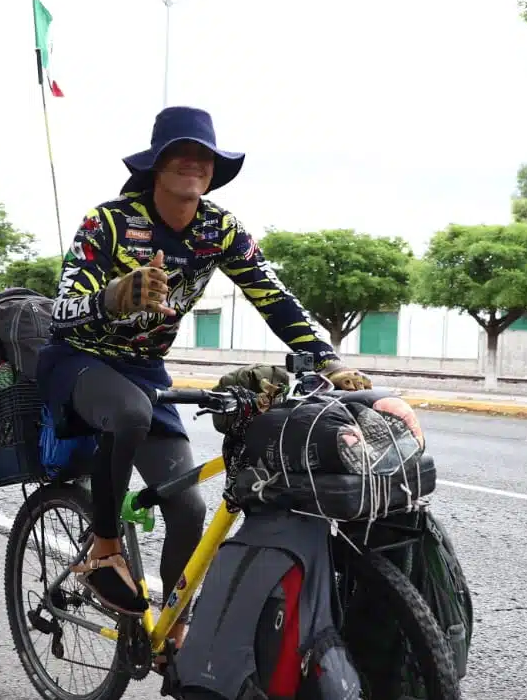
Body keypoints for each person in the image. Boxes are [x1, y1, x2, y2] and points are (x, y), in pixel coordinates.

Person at [36, 105, 370, 633]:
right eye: (180, 153)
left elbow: (272, 296)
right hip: (80, 360)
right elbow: (62, 312)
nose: (193, 162)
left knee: (188, 507)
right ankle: (103, 551)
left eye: (204, 156)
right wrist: (113, 297)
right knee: (129, 415)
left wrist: (326, 356)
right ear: (156, 165)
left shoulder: (220, 229)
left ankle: (174, 631)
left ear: (213, 170)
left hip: (144, 369)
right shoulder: (109, 222)